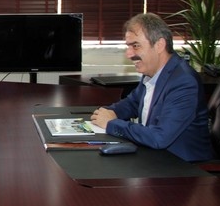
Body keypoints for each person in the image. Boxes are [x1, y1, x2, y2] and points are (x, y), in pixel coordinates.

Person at [90, 12, 212, 162]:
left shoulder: (184, 82)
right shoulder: (152, 73)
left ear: (159, 45)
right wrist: (109, 112)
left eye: (136, 46)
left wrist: (111, 124)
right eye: (128, 46)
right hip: (154, 158)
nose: (129, 54)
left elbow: (159, 137)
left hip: (183, 167)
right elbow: (132, 103)